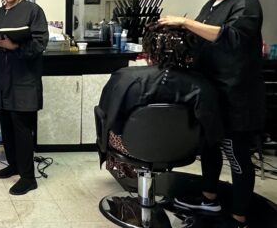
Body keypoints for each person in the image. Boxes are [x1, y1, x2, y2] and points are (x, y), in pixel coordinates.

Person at [159, 0, 264, 228]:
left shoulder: (246, 3)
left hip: (237, 94)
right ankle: (209, 198)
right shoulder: (211, 4)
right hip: (210, 90)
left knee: (237, 155)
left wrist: (184, 22)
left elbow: (232, 38)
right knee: (209, 145)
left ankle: (239, 219)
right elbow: (200, 42)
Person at [96, 23, 224, 171]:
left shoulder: (124, 77)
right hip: (184, 148)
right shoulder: (201, 84)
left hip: (131, 145)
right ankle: (208, 192)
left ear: (149, 50)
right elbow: (213, 130)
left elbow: (108, 116)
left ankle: (130, 176)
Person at [0, 0, 49, 195]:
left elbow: (40, 44)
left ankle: (28, 177)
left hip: (23, 81)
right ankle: (14, 164)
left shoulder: (33, 11)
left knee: (22, 129)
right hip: (1, 81)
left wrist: (15, 47)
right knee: (7, 127)